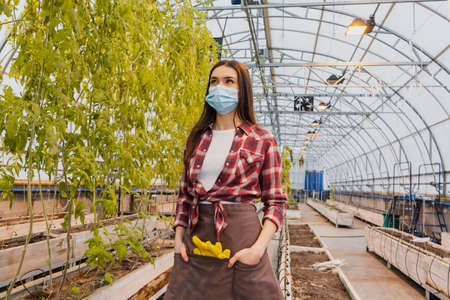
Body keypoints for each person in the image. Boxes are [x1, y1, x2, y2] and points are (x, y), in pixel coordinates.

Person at [163, 60, 287, 300]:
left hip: (242, 242)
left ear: (243, 91)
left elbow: (276, 201)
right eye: (214, 81)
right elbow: (185, 196)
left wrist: (258, 249)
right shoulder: (197, 138)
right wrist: (178, 241)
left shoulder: (261, 139)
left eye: (228, 81)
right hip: (196, 243)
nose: (219, 87)